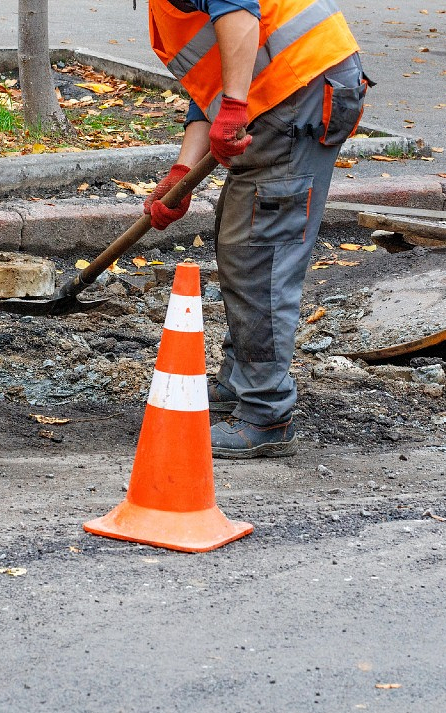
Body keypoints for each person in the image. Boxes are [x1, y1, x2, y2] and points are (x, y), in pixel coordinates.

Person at [141, 0, 370, 458]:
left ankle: (266, 411)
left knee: (258, 253)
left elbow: (239, 13)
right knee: (241, 235)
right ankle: (241, 380)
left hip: (301, 88)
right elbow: (213, 76)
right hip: (286, 89)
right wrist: (182, 171)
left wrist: (234, 104)